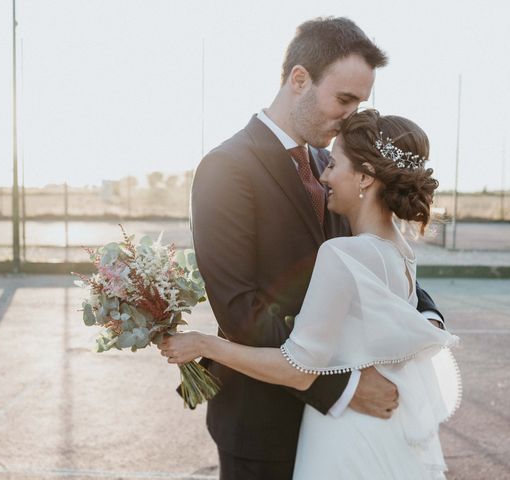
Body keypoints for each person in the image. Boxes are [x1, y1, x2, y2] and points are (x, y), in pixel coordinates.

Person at [171, 16, 446, 480]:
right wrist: (340, 388)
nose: (353, 115)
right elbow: (241, 311)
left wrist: (424, 321)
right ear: (300, 79)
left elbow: (373, 253)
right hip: (264, 421)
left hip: (343, 431)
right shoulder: (226, 168)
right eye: (344, 99)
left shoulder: (336, 167)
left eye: (360, 102)